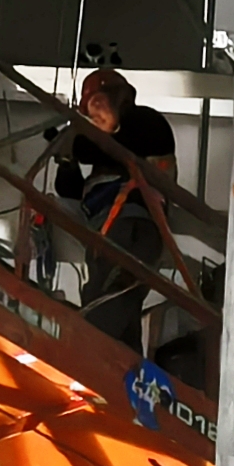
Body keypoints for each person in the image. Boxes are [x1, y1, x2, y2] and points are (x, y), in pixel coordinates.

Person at [51, 65, 181, 350]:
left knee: (110, 297)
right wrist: (66, 161)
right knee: (120, 308)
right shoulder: (105, 153)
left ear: (119, 97)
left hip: (134, 226)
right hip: (108, 232)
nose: (95, 116)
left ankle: (82, 352)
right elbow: (70, 190)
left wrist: (75, 139)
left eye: (98, 105)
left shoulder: (145, 123)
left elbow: (98, 146)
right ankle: (124, 370)